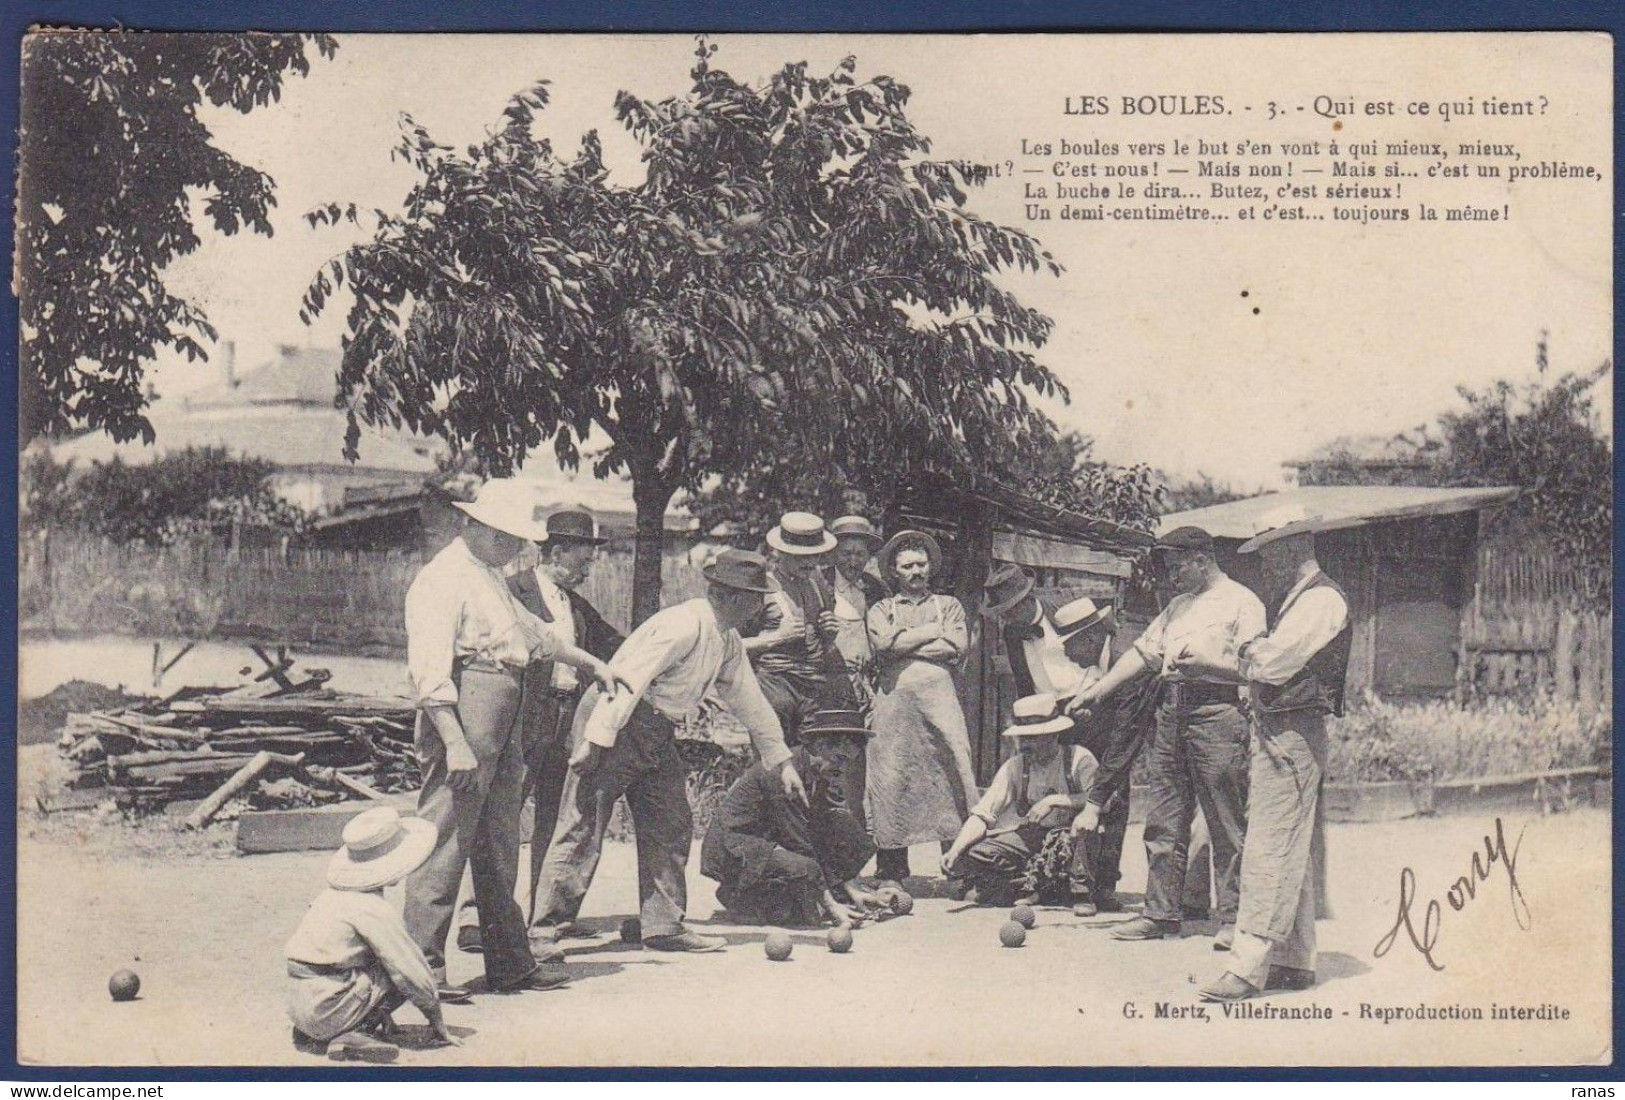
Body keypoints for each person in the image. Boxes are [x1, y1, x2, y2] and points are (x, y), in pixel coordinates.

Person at [402, 478, 628, 999]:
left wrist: (591, 663)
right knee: (446, 834)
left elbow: (536, 635)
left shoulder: (491, 576)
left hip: (507, 705)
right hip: (465, 707)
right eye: (503, 535)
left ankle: (509, 961)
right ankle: (421, 966)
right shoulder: (441, 579)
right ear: (473, 525)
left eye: (514, 537)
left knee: (500, 836)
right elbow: (429, 671)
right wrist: (454, 741)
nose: (512, 546)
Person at [532, 548, 807, 953]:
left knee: (671, 820)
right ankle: (544, 930)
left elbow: (749, 700)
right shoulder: (683, 624)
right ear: (731, 595)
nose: (761, 605)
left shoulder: (727, 638)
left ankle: (663, 925)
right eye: (755, 596)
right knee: (583, 825)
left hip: (657, 729)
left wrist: (782, 762)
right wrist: (594, 741)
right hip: (617, 718)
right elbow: (627, 678)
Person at [1070, 525, 1264, 947]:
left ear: (1201, 560)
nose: (1172, 577)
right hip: (1171, 711)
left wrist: (1212, 663)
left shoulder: (1242, 602)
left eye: (1178, 567)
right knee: (1164, 819)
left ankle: (1233, 919)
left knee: (1225, 819)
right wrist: (1096, 693)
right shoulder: (1177, 606)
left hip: (1217, 711)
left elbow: (1258, 667)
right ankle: (1160, 914)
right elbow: (1143, 654)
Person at [455, 506, 624, 955]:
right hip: (523, 712)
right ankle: (476, 915)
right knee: (501, 813)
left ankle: (538, 918)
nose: (589, 567)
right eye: (583, 558)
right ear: (557, 552)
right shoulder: (512, 590)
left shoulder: (577, 606)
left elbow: (615, 645)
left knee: (554, 812)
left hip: (567, 717)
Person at [1198, 519, 1350, 1003]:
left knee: (1269, 847)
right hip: (1280, 728)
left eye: (1267, 556)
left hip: (1295, 733)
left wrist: (1242, 650)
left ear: (1291, 552)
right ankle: (1295, 959)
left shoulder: (1322, 599)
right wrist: (1253, 653)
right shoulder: (1301, 598)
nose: (1263, 567)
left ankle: (1245, 970)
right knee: (1292, 847)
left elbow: (1274, 661)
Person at [286, 807, 455, 1063]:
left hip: (301, 1005)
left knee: (371, 961)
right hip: (329, 1007)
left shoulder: (329, 896)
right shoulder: (374, 908)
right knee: (403, 967)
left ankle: (319, 1033)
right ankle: (354, 1033)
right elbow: (410, 969)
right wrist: (436, 1018)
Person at [864, 529, 979, 883]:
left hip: (941, 703)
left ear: (930, 567)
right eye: (907, 566)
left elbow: (956, 645)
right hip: (894, 706)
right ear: (894, 571)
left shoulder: (949, 606)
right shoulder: (882, 608)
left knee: (953, 770)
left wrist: (905, 643)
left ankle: (958, 863)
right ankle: (892, 867)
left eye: (921, 564)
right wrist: (933, 633)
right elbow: (883, 645)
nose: (916, 571)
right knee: (892, 775)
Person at [702, 707, 882, 928]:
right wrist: (832, 906)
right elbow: (799, 840)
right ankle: (742, 897)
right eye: (839, 758)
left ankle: (812, 896)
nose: (843, 768)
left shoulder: (818, 769)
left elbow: (828, 827)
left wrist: (851, 884)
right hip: (738, 848)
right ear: (819, 746)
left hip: (770, 841)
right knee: (804, 870)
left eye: (848, 762)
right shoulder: (782, 772)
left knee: (846, 829)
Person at [942, 693, 1100, 914]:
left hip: (1075, 839)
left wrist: (1056, 801)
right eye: (1023, 737)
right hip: (1035, 839)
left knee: (1084, 829)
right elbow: (983, 813)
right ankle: (1034, 886)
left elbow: (1099, 799)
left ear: (1054, 735)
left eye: (1034, 737)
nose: (1027, 744)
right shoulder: (1016, 766)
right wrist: (955, 850)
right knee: (976, 852)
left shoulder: (1080, 759)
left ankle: (1082, 893)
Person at [745, 512, 851, 745]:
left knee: (816, 762)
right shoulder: (761, 588)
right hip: (774, 685)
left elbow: (825, 640)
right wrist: (776, 638)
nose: (809, 562)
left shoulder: (818, 583)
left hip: (814, 687)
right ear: (780, 552)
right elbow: (732, 645)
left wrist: (829, 634)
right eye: (800, 556)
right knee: (774, 763)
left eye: (814, 555)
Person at [825, 514, 888, 827]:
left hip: (869, 686)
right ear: (834, 553)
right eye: (846, 553)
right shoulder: (819, 584)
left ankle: (866, 837)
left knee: (870, 764)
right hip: (831, 686)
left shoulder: (876, 589)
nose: (853, 561)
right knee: (835, 764)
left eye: (859, 554)